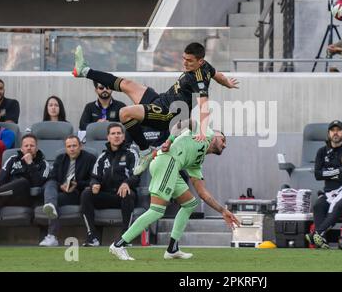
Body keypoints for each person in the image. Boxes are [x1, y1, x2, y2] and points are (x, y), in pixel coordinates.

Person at [72, 43, 239, 174]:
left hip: (168, 114)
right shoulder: (206, 66)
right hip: (161, 99)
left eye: (189, 61)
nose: (185, 63)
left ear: (199, 61)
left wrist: (202, 131)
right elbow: (218, 75)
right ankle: (84, 71)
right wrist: (228, 84)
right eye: (184, 58)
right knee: (127, 84)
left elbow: (204, 105)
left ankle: (145, 151)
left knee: (124, 113)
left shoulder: (199, 79)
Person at [108, 121, 240, 261]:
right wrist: (169, 140)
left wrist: (223, 211)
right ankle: (118, 245)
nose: (224, 144)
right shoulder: (207, 132)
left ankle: (172, 249)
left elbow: (203, 193)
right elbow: (184, 122)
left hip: (171, 166)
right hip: (167, 161)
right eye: (223, 139)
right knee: (157, 210)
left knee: (190, 203)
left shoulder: (197, 161)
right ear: (216, 135)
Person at [306, 120, 342, 249]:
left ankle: (318, 234)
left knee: (340, 205)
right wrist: (339, 171)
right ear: (328, 134)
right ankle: (322, 240)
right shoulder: (321, 152)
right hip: (329, 193)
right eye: (333, 130)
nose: (335, 133)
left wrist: (328, 172)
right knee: (318, 205)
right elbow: (317, 175)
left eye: (338, 130)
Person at [80, 123, 140, 247]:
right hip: (107, 194)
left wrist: (126, 183)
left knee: (127, 193)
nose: (116, 136)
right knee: (86, 194)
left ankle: (125, 238)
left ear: (123, 136)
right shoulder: (102, 157)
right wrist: (95, 184)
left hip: (124, 195)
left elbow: (136, 175)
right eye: (113, 133)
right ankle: (92, 237)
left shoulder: (131, 153)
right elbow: (94, 177)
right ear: (108, 137)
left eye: (119, 133)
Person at [39, 135, 96, 247]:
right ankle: (50, 204)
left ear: (81, 146)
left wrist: (77, 184)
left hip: (77, 193)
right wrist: (61, 186)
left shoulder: (90, 159)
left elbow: (93, 180)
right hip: (60, 190)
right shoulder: (61, 158)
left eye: (74, 145)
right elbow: (52, 176)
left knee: (53, 202)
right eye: (69, 146)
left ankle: (51, 235)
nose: (72, 148)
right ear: (66, 148)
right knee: (50, 184)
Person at [0, 134, 49, 209]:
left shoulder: (43, 164)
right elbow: (1, 180)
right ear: (21, 148)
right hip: (7, 194)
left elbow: (38, 184)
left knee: (23, 182)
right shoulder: (12, 159)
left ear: (37, 148)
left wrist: (30, 164)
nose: (29, 148)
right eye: (26, 146)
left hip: (26, 197)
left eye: (32, 146)